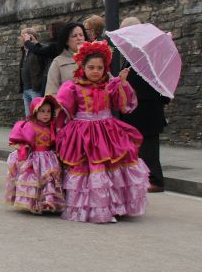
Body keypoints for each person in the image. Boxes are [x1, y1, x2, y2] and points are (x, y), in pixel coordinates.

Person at [55, 40, 149, 223]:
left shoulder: (111, 84)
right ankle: (92, 208)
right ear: (82, 66)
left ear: (105, 67)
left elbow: (122, 106)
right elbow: (65, 110)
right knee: (88, 168)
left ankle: (114, 206)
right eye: (91, 67)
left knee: (111, 168)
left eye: (100, 67)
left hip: (108, 131)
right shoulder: (73, 86)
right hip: (82, 133)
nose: (96, 71)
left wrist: (122, 83)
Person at [118, 17, 169, 193]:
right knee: (141, 145)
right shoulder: (132, 51)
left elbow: (159, 78)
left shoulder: (148, 51)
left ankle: (156, 180)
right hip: (139, 106)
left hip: (147, 106)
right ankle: (145, 177)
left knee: (149, 146)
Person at [5, 96, 65, 214]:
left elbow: (56, 142)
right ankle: (33, 203)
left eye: (48, 111)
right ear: (35, 111)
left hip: (49, 158)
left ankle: (47, 202)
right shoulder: (29, 126)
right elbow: (23, 144)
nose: (46, 114)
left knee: (49, 180)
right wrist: (23, 157)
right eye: (42, 111)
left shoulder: (52, 127)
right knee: (33, 180)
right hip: (34, 158)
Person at [23, 21, 66, 96]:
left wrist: (27, 42)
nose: (50, 32)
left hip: (53, 77)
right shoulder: (59, 45)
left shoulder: (56, 46)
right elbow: (44, 52)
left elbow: (39, 51)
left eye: (52, 30)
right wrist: (37, 43)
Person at [44, 23, 86, 95]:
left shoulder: (95, 56)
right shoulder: (58, 62)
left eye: (81, 35)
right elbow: (51, 92)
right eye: (74, 36)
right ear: (66, 41)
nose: (79, 38)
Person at [18, 28, 46, 116]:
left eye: (22, 36)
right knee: (29, 117)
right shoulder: (23, 51)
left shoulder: (37, 50)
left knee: (37, 116)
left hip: (35, 89)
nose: (20, 38)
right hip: (26, 89)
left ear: (28, 37)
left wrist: (35, 44)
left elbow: (43, 58)